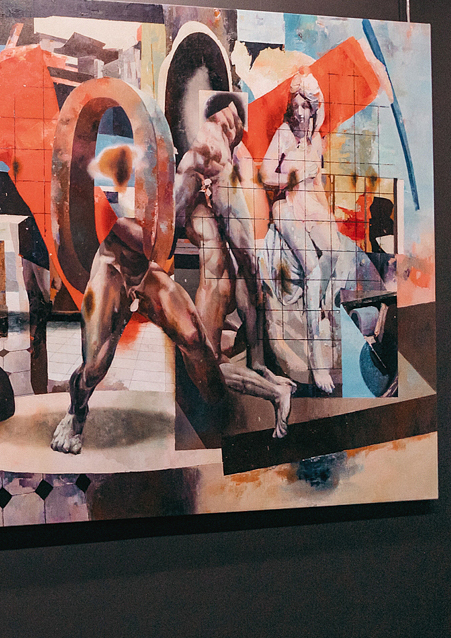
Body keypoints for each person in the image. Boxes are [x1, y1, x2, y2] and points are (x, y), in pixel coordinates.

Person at [51, 132, 290, 455]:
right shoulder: (130, 177)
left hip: (149, 274)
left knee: (193, 337)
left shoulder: (192, 194)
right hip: (114, 268)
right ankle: (76, 412)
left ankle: (226, 403)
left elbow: (224, 248)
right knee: (95, 365)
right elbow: (126, 231)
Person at [176, 92, 295, 432]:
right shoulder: (208, 154)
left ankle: (264, 373)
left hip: (221, 277)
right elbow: (181, 205)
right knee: (247, 271)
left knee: (248, 270)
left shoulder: (216, 155)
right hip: (220, 279)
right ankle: (268, 379)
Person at [261, 72, 338, 392]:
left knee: (336, 250)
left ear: (314, 108)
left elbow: (316, 184)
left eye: (305, 106)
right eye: (295, 106)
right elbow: (265, 174)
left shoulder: (315, 140)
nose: (299, 112)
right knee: (312, 269)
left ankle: (316, 303)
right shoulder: (284, 133)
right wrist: (292, 176)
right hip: (286, 206)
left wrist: (327, 216)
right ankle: (316, 360)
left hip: (309, 205)